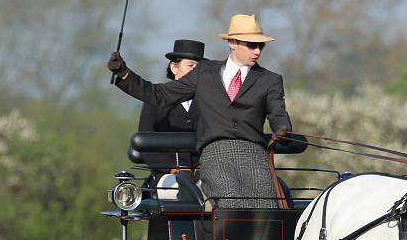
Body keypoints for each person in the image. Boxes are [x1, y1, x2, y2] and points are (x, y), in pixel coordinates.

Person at [108, 14, 291, 209]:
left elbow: (278, 112)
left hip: (254, 156)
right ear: (232, 43)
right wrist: (124, 74)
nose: (257, 51)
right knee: (233, 202)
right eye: (251, 45)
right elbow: (159, 94)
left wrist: (283, 128)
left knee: (269, 208)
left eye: (260, 46)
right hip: (216, 156)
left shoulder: (270, 80)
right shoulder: (205, 73)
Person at [137, 39, 204, 195]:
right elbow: (147, 145)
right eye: (190, 66)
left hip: (205, 173)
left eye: (199, 67)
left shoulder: (210, 101)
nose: (195, 72)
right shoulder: (155, 101)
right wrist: (173, 168)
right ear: (174, 67)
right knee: (181, 193)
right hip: (167, 174)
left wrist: (204, 167)